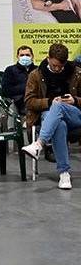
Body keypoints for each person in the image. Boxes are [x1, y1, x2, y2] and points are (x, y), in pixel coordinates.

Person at [21, 43, 81, 189]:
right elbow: (29, 102)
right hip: (49, 117)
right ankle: (64, 174)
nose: (57, 69)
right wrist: (48, 102)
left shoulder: (77, 73)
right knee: (59, 124)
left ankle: (39, 144)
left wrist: (75, 100)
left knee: (59, 106)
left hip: (74, 114)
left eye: (60, 66)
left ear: (65, 62)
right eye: (54, 65)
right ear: (48, 59)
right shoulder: (36, 75)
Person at [2, 45, 37, 114]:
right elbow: (6, 90)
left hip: (36, 100)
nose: (25, 57)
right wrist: (26, 87)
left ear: (32, 56)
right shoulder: (10, 70)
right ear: (17, 57)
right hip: (18, 102)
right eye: (22, 55)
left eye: (27, 55)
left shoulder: (38, 70)